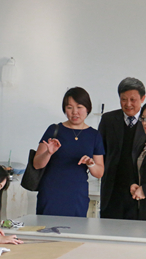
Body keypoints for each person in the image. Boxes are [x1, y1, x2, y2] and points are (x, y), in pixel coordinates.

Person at [33, 87, 104, 217]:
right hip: (51, 193)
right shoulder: (54, 130)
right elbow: (37, 164)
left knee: (75, 228)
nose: (74, 112)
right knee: (47, 228)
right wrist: (48, 153)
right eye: (69, 107)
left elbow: (99, 172)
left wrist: (91, 164)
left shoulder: (94, 135)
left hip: (77, 195)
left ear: (88, 108)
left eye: (79, 107)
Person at [98, 77, 146, 219]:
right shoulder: (108, 119)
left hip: (140, 190)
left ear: (143, 98)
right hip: (112, 189)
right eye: (123, 99)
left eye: (133, 100)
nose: (128, 104)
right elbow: (100, 151)